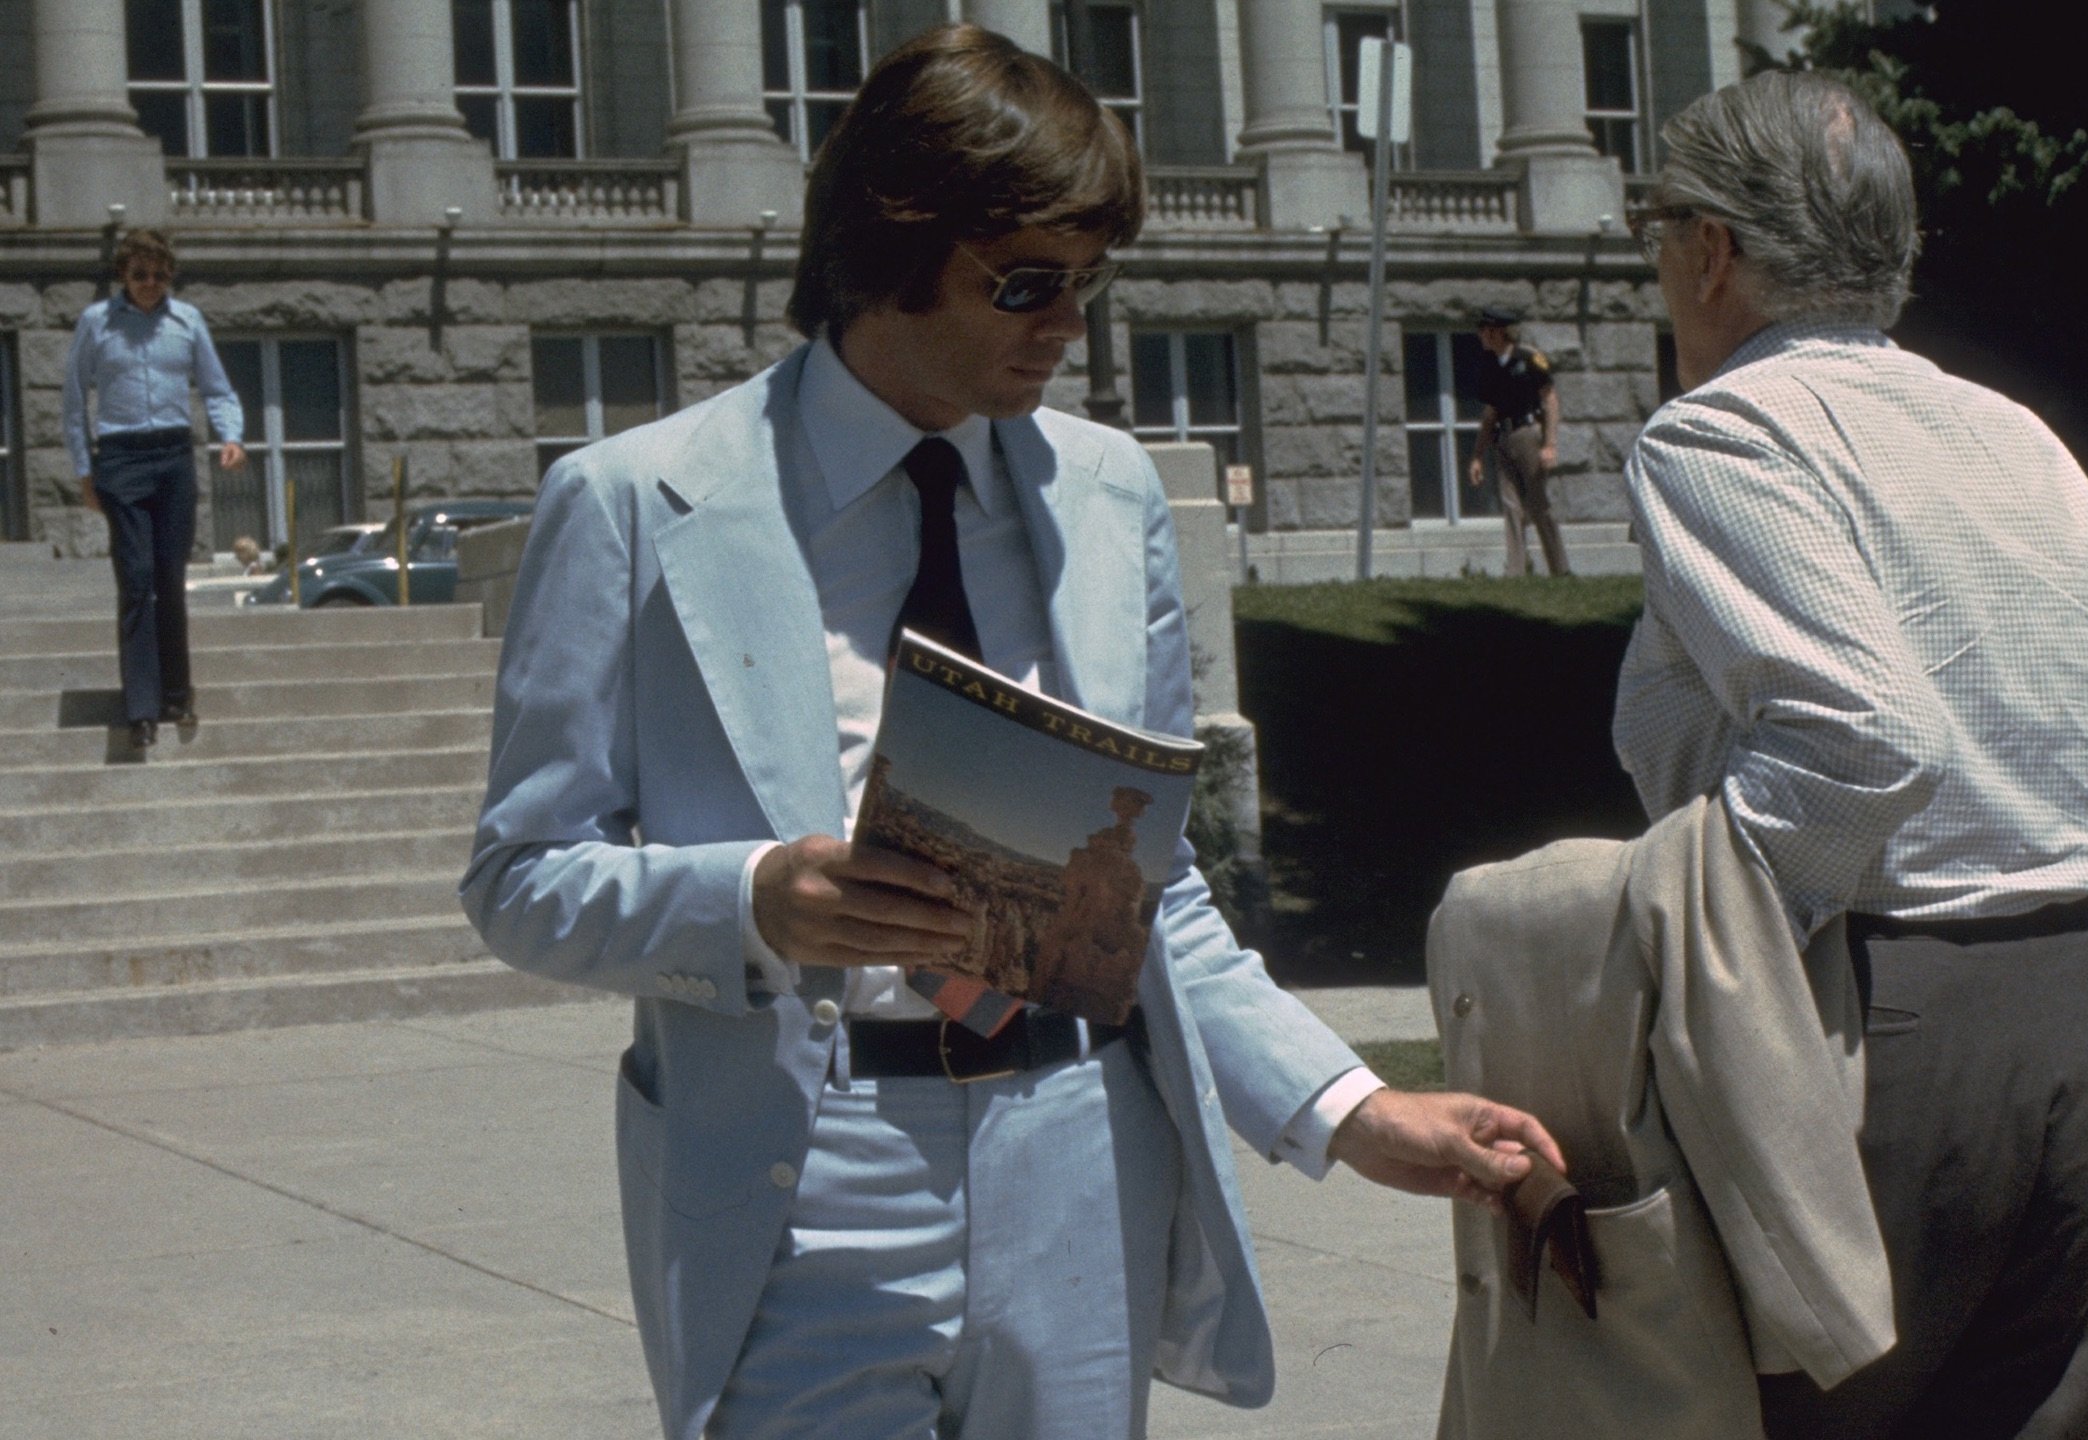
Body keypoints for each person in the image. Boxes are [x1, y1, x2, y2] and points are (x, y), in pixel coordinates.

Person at [460, 27, 1560, 1440]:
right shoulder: (636, 501)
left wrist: (1349, 1109)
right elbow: (521, 877)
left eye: (1088, 283)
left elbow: (1153, 895)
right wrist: (752, 902)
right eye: (1027, 284)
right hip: (809, 1175)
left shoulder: (1106, 494)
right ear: (889, 249)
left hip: (1078, 1158)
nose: (1068, 326)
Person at [1615, 72, 2088, 1438]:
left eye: (1654, 230)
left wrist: (1699, 936)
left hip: (1874, 1013)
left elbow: (1859, 736)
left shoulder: (1722, 433)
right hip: (2077, 1012)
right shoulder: (2020, 444)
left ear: (1712, 250)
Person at [65, 228, 246, 749]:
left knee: (170, 576)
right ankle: (140, 707)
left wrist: (230, 435)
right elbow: (74, 401)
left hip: (173, 456)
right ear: (123, 274)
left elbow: (216, 388)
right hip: (120, 458)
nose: (150, 284)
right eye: (140, 274)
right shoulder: (96, 323)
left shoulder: (187, 321)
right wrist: (85, 472)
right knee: (136, 577)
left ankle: (176, 693)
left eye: (160, 275)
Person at [1465, 305, 1571, 576]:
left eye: (1485, 330)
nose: (1481, 335)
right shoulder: (1489, 365)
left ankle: (1560, 568)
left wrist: (1550, 444)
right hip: (1503, 436)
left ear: (1498, 332)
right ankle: (1516, 571)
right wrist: (1477, 455)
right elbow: (1490, 413)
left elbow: (1550, 399)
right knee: (1510, 504)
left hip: (1528, 434)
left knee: (1538, 504)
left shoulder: (1529, 359)